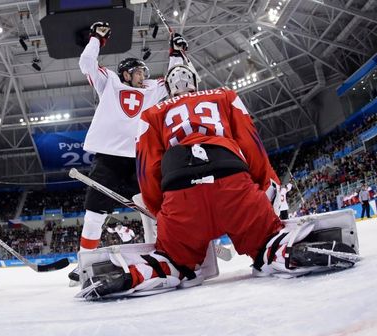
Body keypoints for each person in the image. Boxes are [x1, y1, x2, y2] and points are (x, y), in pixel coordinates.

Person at [78, 65, 358, 300]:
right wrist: (264, 186)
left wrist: (162, 211)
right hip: (232, 183)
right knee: (264, 243)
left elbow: (148, 169)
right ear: (195, 82)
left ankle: (142, 273)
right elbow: (251, 143)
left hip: (181, 194)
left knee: (174, 260)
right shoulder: (225, 96)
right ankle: (282, 251)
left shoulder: (151, 114)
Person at [68, 21, 190, 282]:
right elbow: (87, 63)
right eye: (138, 72)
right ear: (126, 73)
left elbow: (177, 79)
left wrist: (176, 54)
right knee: (93, 214)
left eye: (144, 72)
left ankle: (167, 249)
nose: (143, 76)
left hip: (140, 159)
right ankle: (84, 262)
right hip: (109, 159)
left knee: (155, 207)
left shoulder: (151, 90)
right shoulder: (109, 83)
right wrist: (95, 39)